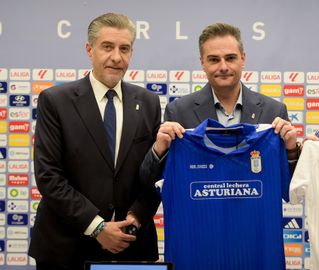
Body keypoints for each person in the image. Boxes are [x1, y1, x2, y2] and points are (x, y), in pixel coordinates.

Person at [29, 13, 162, 270]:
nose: (116, 57)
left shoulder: (148, 102)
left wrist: (135, 217)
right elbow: (48, 176)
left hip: (130, 243)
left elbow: (154, 173)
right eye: (107, 47)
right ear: (90, 50)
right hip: (66, 248)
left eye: (124, 49)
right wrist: (98, 227)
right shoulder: (56, 101)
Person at [140, 22, 299, 182]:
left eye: (230, 58)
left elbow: (290, 186)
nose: (223, 67)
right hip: (201, 207)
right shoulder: (178, 111)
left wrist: (291, 151)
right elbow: (149, 182)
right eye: (214, 60)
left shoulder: (274, 112)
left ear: (243, 59)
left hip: (256, 207)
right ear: (203, 63)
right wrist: (159, 149)